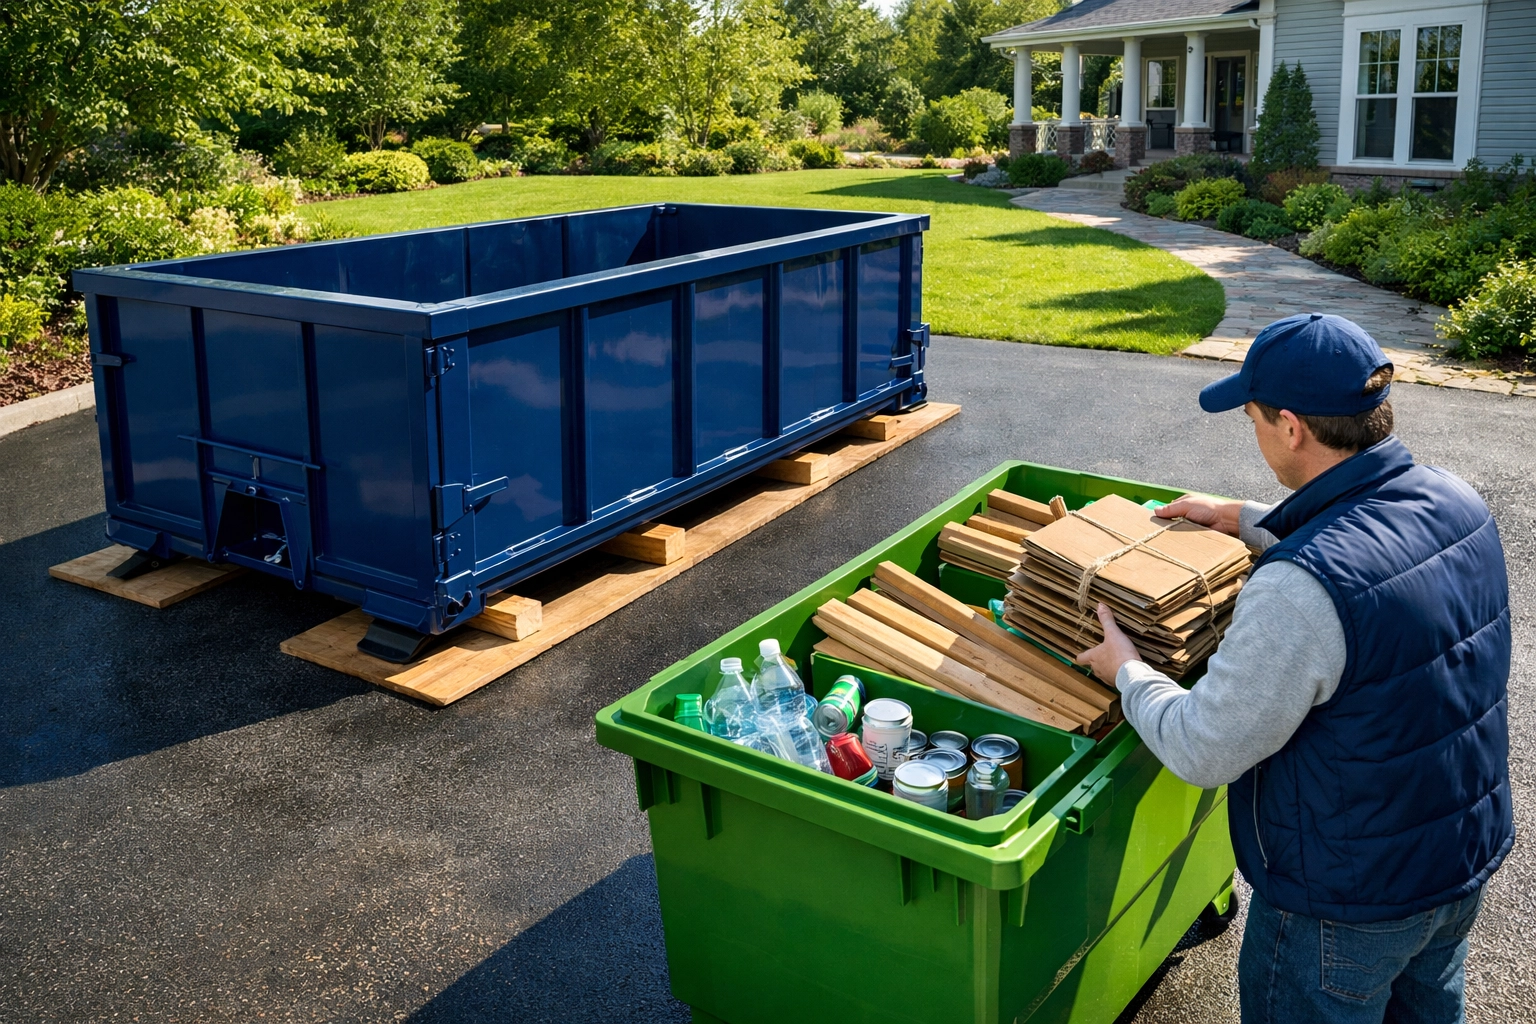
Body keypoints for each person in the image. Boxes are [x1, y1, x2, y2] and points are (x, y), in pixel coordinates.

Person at [1074, 313, 1513, 1024]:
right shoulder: (1456, 501)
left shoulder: (1300, 589)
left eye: (1252, 416)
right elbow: (1375, 556)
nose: (1252, 432)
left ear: (1291, 428)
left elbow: (1204, 745)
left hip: (1345, 907)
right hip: (1457, 864)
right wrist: (1244, 518)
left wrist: (1126, 669)